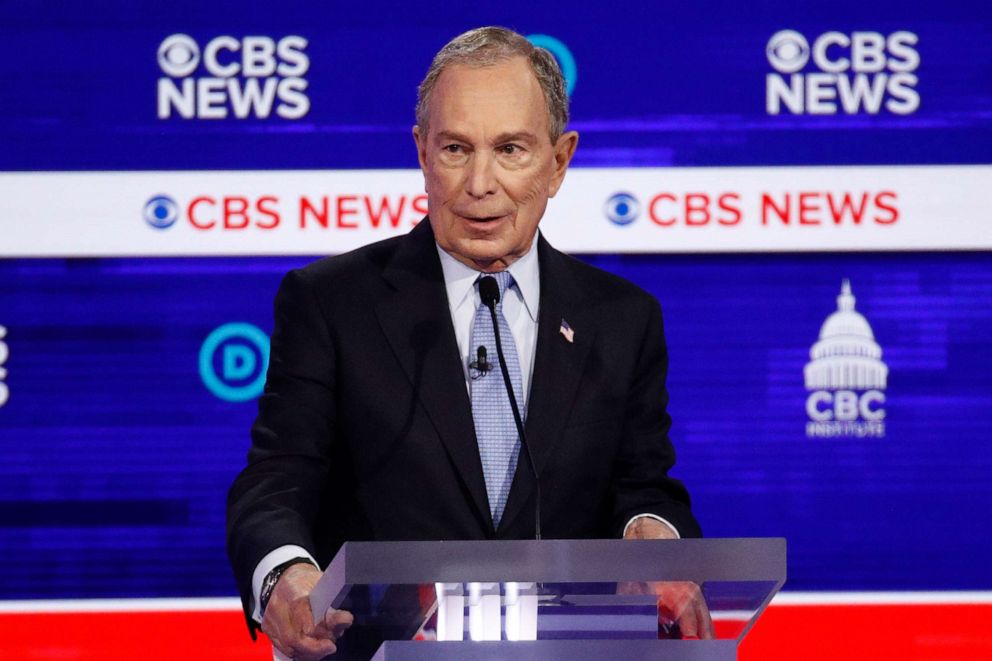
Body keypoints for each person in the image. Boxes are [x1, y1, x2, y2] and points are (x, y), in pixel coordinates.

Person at [227, 26, 706, 660]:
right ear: (422, 151)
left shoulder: (621, 319)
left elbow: (644, 484)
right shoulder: (332, 302)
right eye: (456, 148)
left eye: (510, 149)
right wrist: (285, 576)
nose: (480, 182)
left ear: (559, 161)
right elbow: (278, 481)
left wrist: (652, 539)